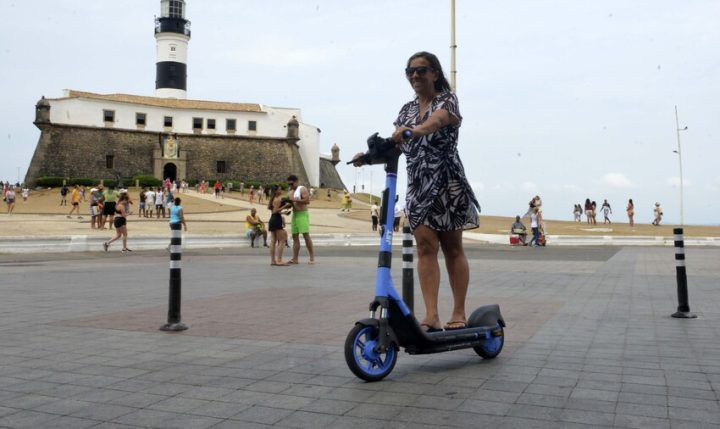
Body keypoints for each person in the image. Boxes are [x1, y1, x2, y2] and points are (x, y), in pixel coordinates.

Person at [353, 51, 479, 332]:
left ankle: (458, 312)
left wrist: (417, 130)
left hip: (446, 182)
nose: (414, 76)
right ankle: (431, 315)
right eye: (409, 71)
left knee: (452, 247)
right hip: (419, 185)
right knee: (424, 247)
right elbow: (396, 143)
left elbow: (437, 121)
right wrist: (368, 156)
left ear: (435, 73)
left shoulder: (447, 100)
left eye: (420, 70)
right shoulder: (405, 110)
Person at [287, 174, 315, 264]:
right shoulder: (290, 192)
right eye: (289, 184)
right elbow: (291, 203)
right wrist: (286, 204)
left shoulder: (302, 189)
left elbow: (307, 201)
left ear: (296, 182)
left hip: (302, 214)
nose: (290, 186)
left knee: (306, 236)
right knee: (295, 237)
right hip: (295, 214)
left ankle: (312, 257)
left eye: (292, 184)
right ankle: (295, 259)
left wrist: (295, 200)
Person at [267, 185, 293, 266]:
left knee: (273, 240)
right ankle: (279, 260)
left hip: (272, 219)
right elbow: (275, 211)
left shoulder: (273, 199)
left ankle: (273, 260)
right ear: (275, 191)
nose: (281, 190)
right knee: (282, 240)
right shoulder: (278, 199)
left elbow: (274, 212)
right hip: (276, 220)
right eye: (279, 189)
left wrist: (284, 212)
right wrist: (285, 206)